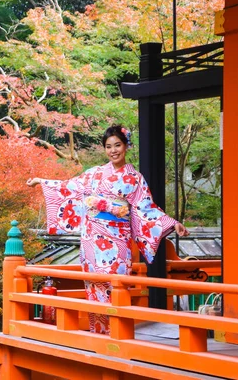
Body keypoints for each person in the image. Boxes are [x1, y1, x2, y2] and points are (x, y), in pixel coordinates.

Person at [26, 125, 188, 334]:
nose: (113, 150)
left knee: (116, 285)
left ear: (126, 146)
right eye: (109, 146)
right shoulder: (95, 174)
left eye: (118, 145)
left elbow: (146, 208)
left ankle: (117, 333)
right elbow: (69, 186)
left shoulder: (134, 178)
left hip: (118, 240)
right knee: (94, 285)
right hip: (92, 238)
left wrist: (172, 222)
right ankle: (99, 333)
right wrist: (42, 182)